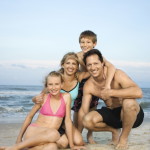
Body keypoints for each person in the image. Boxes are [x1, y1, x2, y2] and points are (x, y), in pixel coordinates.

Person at [0, 71, 86, 150]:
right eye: (50, 84)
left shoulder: (66, 97)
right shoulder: (43, 98)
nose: (53, 87)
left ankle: (21, 148)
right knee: (55, 134)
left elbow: (67, 121)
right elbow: (29, 117)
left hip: (49, 136)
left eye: (56, 84)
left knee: (56, 145)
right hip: (34, 132)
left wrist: (71, 145)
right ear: (46, 86)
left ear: (62, 84)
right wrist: (19, 138)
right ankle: (16, 147)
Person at [78, 49, 144, 149]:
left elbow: (138, 92)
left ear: (102, 63)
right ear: (86, 67)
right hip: (112, 113)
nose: (93, 67)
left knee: (129, 102)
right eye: (89, 65)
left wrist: (111, 92)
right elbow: (83, 110)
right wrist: (78, 134)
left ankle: (123, 139)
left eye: (96, 63)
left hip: (131, 115)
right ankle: (114, 130)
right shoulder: (89, 85)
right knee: (87, 120)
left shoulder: (117, 74)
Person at [73, 30, 116, 143]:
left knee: (92, 109)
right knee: (78, 110)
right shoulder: (78, 55)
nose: (85, 45)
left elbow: (111, 66)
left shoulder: (97, 55)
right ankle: (77, 133)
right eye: (82, 42)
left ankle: (89, 135)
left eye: (88, 42)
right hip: (82, 85)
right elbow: (72, 70)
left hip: (94, 84)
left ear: (94, 44)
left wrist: (107, 85)